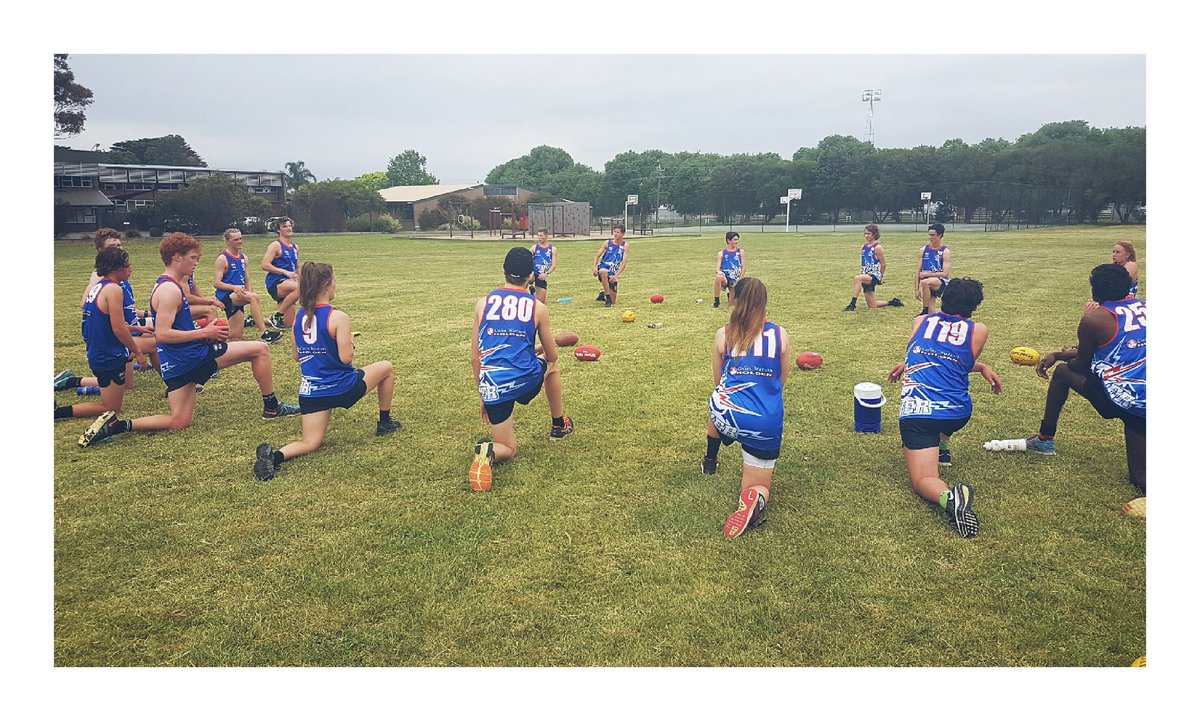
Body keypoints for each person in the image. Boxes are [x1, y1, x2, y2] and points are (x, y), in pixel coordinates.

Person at [78, 233, 300, 447]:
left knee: (179, 421)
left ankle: (118, 425)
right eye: (193, 258)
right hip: (191, 357)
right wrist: (204, 333)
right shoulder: (169, 290)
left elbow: (167, 325)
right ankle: (272, 407)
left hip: (178, 363)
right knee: (259, 349)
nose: (196, 263)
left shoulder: (164, 284)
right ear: (177, 256)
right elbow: (163, 334)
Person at [1010, 264, 1146, 506]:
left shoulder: (1095, 319)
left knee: (1063, 373)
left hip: (1129, 399)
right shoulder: (1145, 306)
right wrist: (1059, 353)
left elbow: (1081, 365)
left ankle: (1045, 438)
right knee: (1139, 475)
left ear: (1095, 293)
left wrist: (1061, 358)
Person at [252, 262, 402, 481]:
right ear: (326, 284)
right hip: (342, 387)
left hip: (311, 393)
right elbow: (346, 358)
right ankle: (385, 422)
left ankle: (274, 457)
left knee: (310, 443)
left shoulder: (298, 318)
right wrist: (350, 342)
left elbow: (297, 356)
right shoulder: (338, 317)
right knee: (386, 367)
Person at [887, 277, 1001, 539]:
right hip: (957, 413)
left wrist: (909, 362)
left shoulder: (921, 321)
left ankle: (950, 500)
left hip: (919, 416)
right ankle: (944, 449)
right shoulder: (979, 330)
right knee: (945, 401)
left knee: (923, 480)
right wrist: (982, 367)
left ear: (943, 299)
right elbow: (955, 361)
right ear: (974, 307)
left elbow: (930, 351)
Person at [470, 247, 574, 492]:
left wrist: (484, 394)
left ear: (504, 271)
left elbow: (475, 358)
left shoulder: (482, 304)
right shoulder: (537, 307)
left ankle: (488, 452)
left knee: (506, 447)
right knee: (552, 367)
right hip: (526, 378)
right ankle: (559, 426)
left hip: (492, 385)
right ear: (531, 276)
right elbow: (552, 355)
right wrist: (538, 349)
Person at [701, 277, 791, 540]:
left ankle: (710, 460)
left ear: (734, 300)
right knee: (758, 485)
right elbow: (780, 381)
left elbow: (719, 382)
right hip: (763, 423)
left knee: (719, 398)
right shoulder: (780, 335)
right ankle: (754, 499)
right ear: (764, 303)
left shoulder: (723, 334)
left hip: (724, 413)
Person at [53, 247, 151, 424]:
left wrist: (138, 330)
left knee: (115, 397)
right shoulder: (114, 290)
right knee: (111, 408)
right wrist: (138, 353)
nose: (131, 269)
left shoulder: (98, 287)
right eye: (127, 265)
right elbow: (118, 329)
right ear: (115, 268)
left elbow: (107, 322)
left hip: (98, 351)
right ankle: (57, 412)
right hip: (108, 355)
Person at [57, 229, 159, 392]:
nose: (118, 249)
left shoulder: (119, 275)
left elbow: (126, 308)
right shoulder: (101, 277)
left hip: (128, 327)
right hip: (115, 337)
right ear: (100, 250)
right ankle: (75, 382)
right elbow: (86, 302)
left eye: (119, 245)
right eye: (113, 246)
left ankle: (161, 369)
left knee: (157, 330)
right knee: (125, 385)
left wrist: (145, 315)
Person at [213, 227, 283, 343]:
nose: (240, 241)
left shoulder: (243, 258)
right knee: (253, 297)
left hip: (239, 294)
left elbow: (247, 279)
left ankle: (208, 334)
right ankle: (264, 334)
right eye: (236, 240)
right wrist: (234, 288)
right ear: (227, 242)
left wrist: (248, 291)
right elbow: (217, 283)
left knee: (236, 336)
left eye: (240, 239)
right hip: (226, 295)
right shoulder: (222, 259)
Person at [844, 224, 903, 311]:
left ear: (874, 234)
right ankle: (892, 302)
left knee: (857, 279)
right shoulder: (864, 247)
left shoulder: (878, 247)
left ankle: (852, 305)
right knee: (872, 305)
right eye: (865, 234)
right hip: (865, 274)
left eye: (868, 234)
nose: (866, 236)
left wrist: (880, 278)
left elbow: (883, 264)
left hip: (873, 275)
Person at [261, 217, 301, 331]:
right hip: (276, 282)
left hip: (290, 283)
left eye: (289, 226)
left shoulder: (295, 247)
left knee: (288, 324)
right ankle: (278, 315)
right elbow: (265, 265)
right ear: (278, 230)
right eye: (285, 226)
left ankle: (256, 319)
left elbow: (296, 267)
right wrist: (284, 272)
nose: (288, 228)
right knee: (301, 288)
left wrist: (301, 276)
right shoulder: (275, 245)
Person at [1084, 241, 1139, 312]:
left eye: (1118, 252)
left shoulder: (1131, 265)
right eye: (1113, 252)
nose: (1114, 255)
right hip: (1114, 302)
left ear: (1127, 254)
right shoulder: (1115, 268)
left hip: (1125, 304)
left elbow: (1118, 281)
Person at [914, 223, 952, 316]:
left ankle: (924, 310)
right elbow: (918, 270)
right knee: (932, 314)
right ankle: (933, 313)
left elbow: (945, 274)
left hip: (941, 282)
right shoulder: (923, 250)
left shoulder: (945, 252)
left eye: (933, 235)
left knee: (925, 282)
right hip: (927, 281)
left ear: (940, 236)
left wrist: (927, 275)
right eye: (929, 235)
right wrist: (916, 289)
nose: (930, 237)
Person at [592, 224, 629, 307]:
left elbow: (623, 263)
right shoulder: (607, 243)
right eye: (614, 231)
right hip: (603, 268)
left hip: (613, 272)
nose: (615, 234)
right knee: (603, 271)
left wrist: (616, 276)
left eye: (618, 232)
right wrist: (594, 268)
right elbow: (597, 256)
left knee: (614, 301)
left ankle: (603, 293)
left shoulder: (625, 246)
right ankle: (607, 297)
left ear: (623, 234)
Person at [713, 232, 746, 308]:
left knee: (733, 304)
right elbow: (717, 269)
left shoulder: (740, 252)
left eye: (737, 240)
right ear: (728, 240)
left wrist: (739, 280)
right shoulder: (721, 253)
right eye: (734, 240)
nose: (736, 242)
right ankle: (716, 300)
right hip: (726, 278)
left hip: (736, 279)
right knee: (718, 277)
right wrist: (720, 273)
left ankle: (730, 293)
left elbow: (743, 267)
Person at [528, 227, 558, 304]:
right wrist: (529, 271)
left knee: (541, 302)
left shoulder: (552, 249)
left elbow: (554, 265)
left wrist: (546, 274)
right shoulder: (534, 248)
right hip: (533, 272)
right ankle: (528, 285)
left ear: (546, 236)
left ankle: (533, 292)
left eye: (541, 236)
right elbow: (526, 259)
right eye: (538, 235)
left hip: (542, 275)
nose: (539, 237)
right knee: (530, 277)